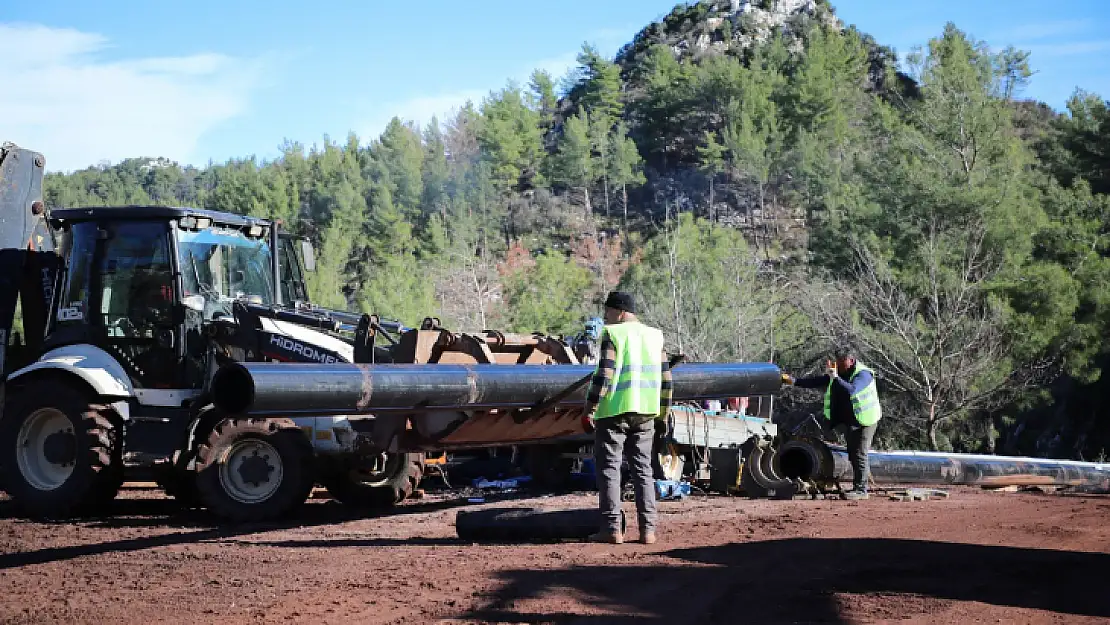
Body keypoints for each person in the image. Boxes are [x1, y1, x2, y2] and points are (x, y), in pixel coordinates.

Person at [583, 291, 673, 545]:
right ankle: (648, 531)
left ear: (619, 311)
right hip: (646, 412)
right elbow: (667, 381)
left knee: (610, 469)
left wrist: (590, 407)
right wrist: (662, 415)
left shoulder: (613, 334)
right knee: (643, 470)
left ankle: (612, 529)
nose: (605, 317)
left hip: (613, 412)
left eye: (608, 312)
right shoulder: (655, 336)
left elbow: (604, 374)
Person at [782, 347, 882, 500]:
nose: (840, 365)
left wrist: (835, 377)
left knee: (860, 453)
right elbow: (816, 382)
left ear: (851, 360)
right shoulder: (838, 372)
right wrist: (792, 380)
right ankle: (859, 487)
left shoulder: (863, 374)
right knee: (853, 453)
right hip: (852, 420)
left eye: (843, 362)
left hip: (866, 420)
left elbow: (852, 390)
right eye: (838, 362)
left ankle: (861, 490)